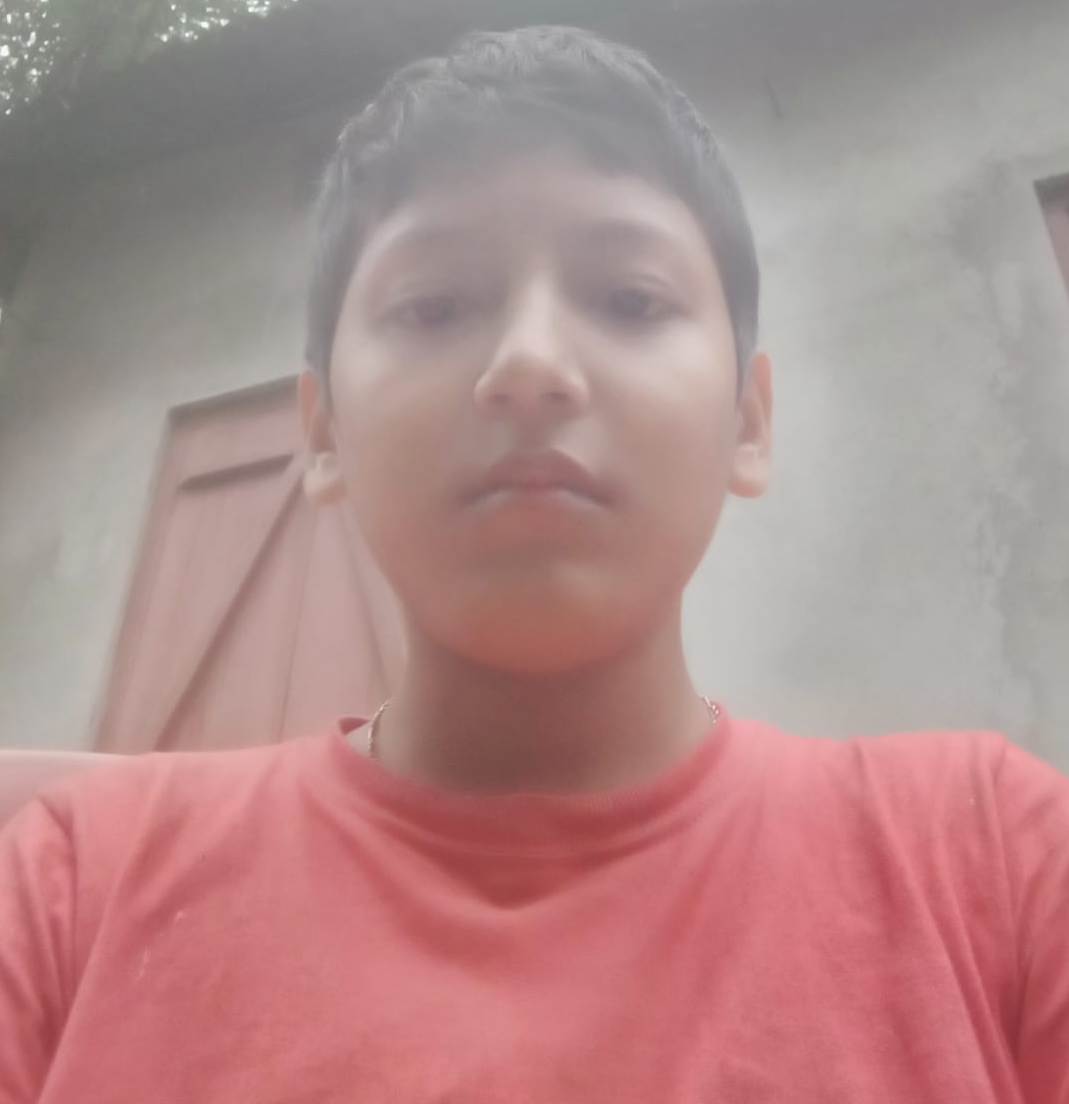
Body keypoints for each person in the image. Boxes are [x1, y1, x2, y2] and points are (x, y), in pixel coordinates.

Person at [1, 24, 1066, 1103]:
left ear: (747, 422)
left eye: (630, 299)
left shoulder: (996, 861)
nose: (530, 363)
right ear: (321, 434)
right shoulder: (69, 889)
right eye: (433, 306)